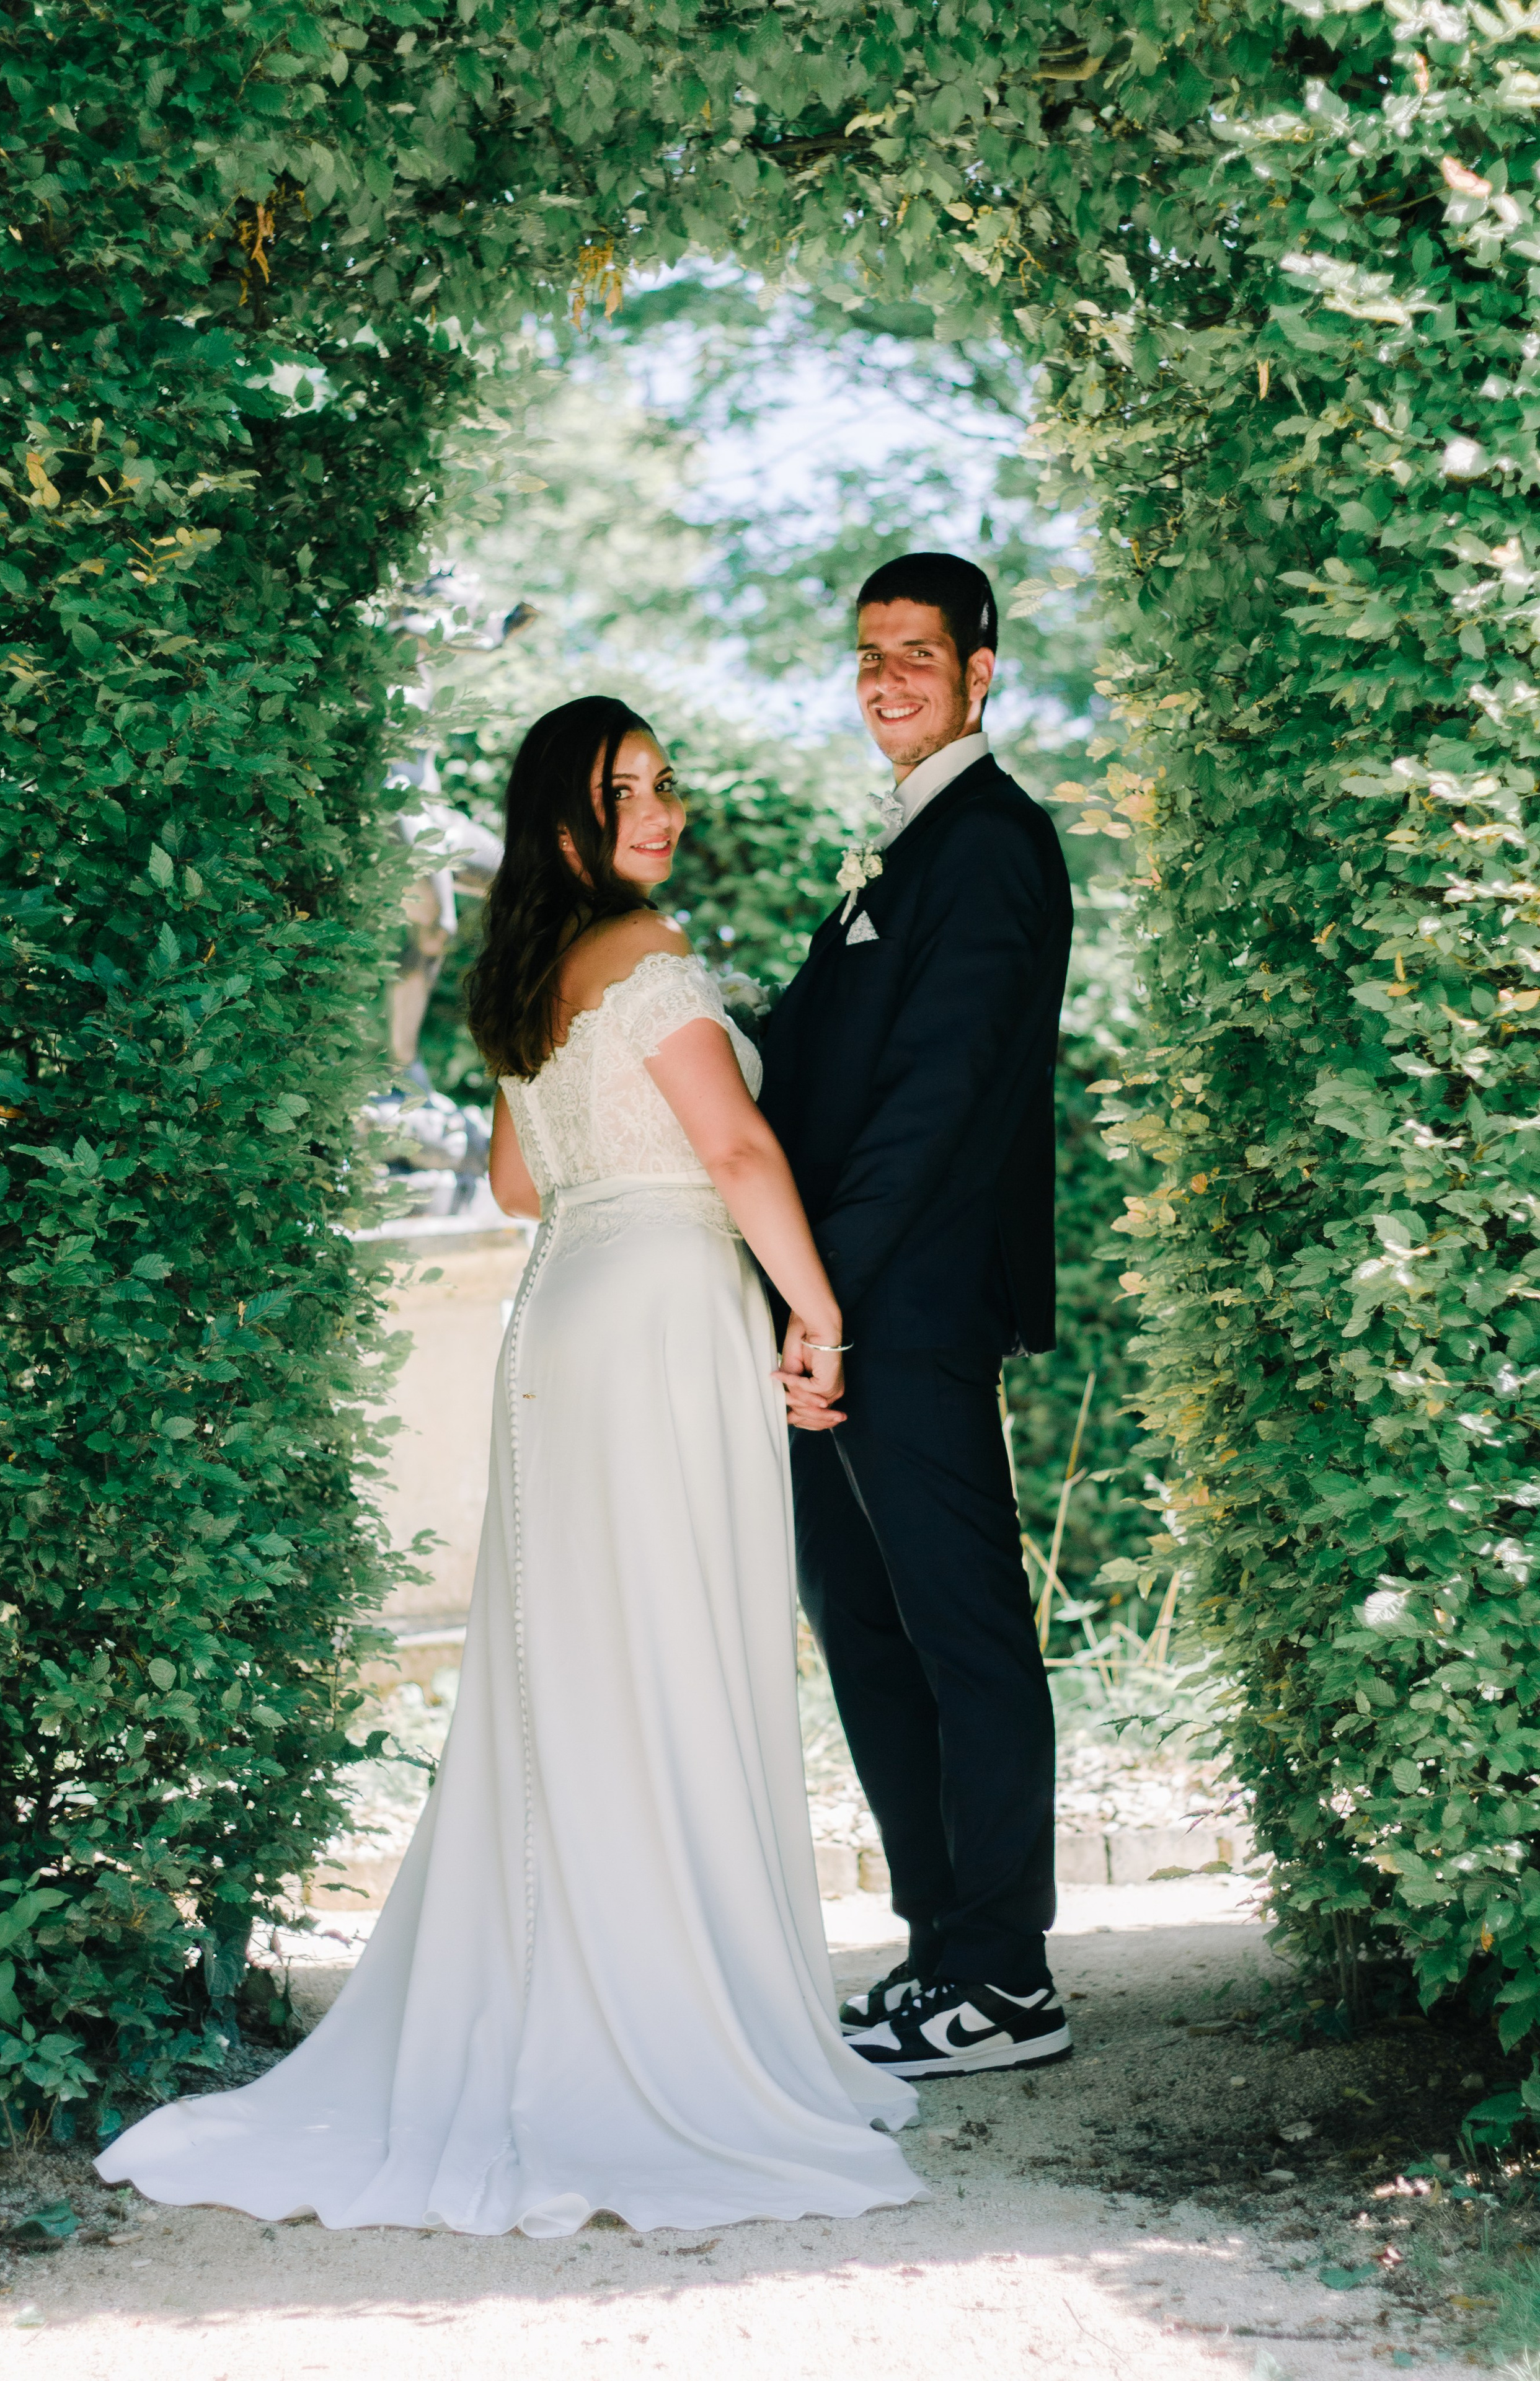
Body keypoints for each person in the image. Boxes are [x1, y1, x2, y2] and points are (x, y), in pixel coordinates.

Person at [97, 696, 920, 2237]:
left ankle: (569, 1990)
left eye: (667, 786)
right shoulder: (648, 950)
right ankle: (676, 2030)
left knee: (575, 1673)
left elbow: (517, 1177)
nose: (662, 813)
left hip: (562, 1326)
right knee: (671, 1656)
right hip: (665, 1312)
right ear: (563, 825)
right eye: (627, 794)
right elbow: (738, 1154)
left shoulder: (531, 977)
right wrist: (815, 1318)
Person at [759, 553, 1075, 2080]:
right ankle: (939, 1947)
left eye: (916, 654)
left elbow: (933, 1100)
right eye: (868, 652)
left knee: (960, 1631)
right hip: (833, 1303)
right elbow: (814, 1066)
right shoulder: (897, 844)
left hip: (909, 1304)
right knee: (865, 1629)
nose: (886, 677)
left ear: (980, 668)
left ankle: (1008, 1976)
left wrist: (828, 1299)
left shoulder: (992, 844)